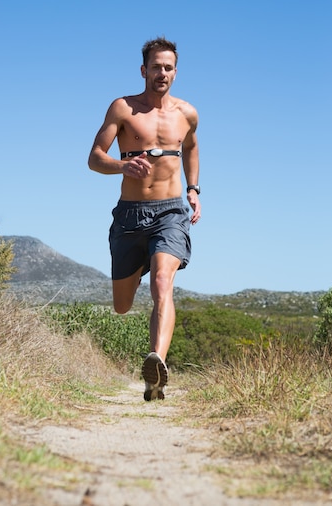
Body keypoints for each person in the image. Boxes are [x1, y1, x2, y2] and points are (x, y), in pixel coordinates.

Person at [88, 37, 201, 401]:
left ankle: (156, 366)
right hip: (130, 215)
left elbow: (192, 148)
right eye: (156, 67)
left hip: (170, 212)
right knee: (122, 305)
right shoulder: (123, 109)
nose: (162, 73)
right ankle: (137, 269)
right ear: (144, 70)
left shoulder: (187, 113)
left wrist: (194, 189)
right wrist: (123, 165)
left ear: (175, 72)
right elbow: (94, 158)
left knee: (163, 283)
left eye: (168, 67)